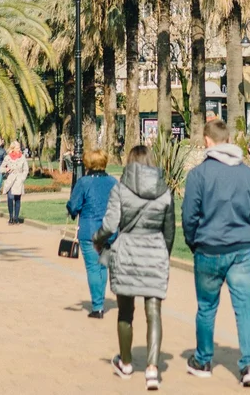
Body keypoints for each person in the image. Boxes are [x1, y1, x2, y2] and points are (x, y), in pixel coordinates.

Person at [182, 118, 250, 387]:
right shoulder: (249, 175)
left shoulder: (198, 175)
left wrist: (193, 242)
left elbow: (189, 217)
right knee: (245, 308)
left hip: (208, 248)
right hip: (242, 249)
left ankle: (203, 360)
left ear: (207, 141)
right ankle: (249, 365)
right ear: (228, 140)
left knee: (206, 307)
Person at [94, 145, 174, 390]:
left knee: (125, 313)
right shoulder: (164, 191)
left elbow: (110, 225)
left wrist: (97, 240)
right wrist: (163, 255)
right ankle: (152, 369)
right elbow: (169, 231)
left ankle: (126, 363)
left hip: (127, 252)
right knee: (154, 313)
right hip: (155, 252)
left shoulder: (120, 189)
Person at [66, 149, 118, 319]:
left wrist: (72, 210)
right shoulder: (113, 182)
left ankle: (98, 306)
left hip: (89, 231)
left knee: (93, 268)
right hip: (109, 231)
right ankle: (100, 301)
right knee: (103, 266)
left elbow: (74, 205)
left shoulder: (84, 182)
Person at [0, 140, 29, 224]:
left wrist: (22, 177)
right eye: (17, 148)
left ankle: (16, 217)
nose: (19, 149)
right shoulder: (7, 157)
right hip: (10, 180)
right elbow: (1, 168)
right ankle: (10, 217)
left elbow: (26, 169)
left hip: (19, 180)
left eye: (19, 147)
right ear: (13, 148)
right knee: (10, 198)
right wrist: (6, 169)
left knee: (17, 199)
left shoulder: (22, 157)